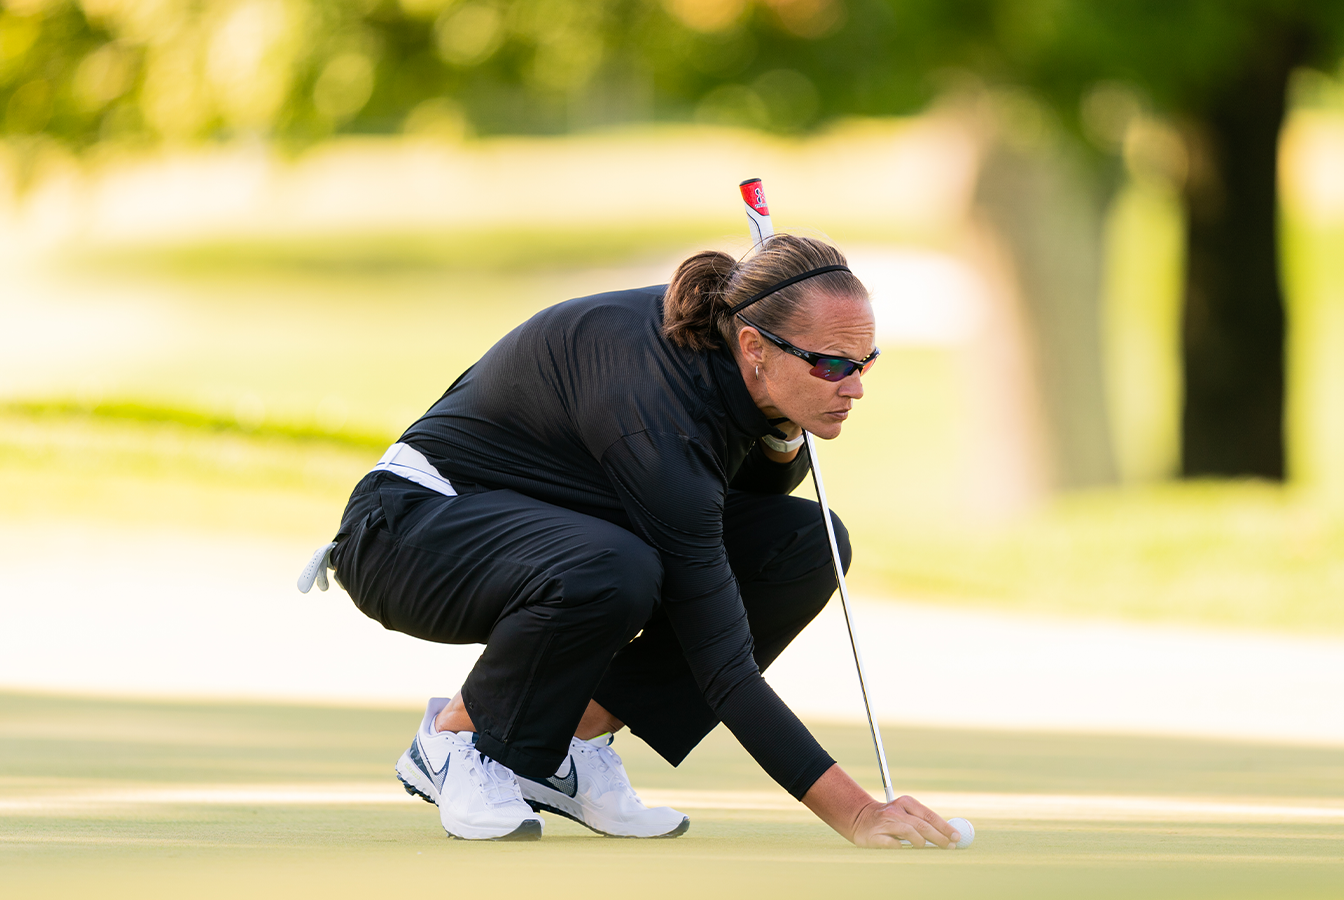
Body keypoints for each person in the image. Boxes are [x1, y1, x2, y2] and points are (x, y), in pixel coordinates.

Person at [320, 234, 960, 848]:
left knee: (805, 545)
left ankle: (567, 744)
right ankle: (462, 738)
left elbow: (755, 491)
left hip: (553, 526)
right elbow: (724, 665)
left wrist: (789, 422)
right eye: (830, 364)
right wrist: (858, 814)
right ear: (753, 346)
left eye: (864, 361)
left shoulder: (732, 353)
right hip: (408, 534)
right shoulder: (653, 410)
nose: (854, 387)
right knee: (613, 569)